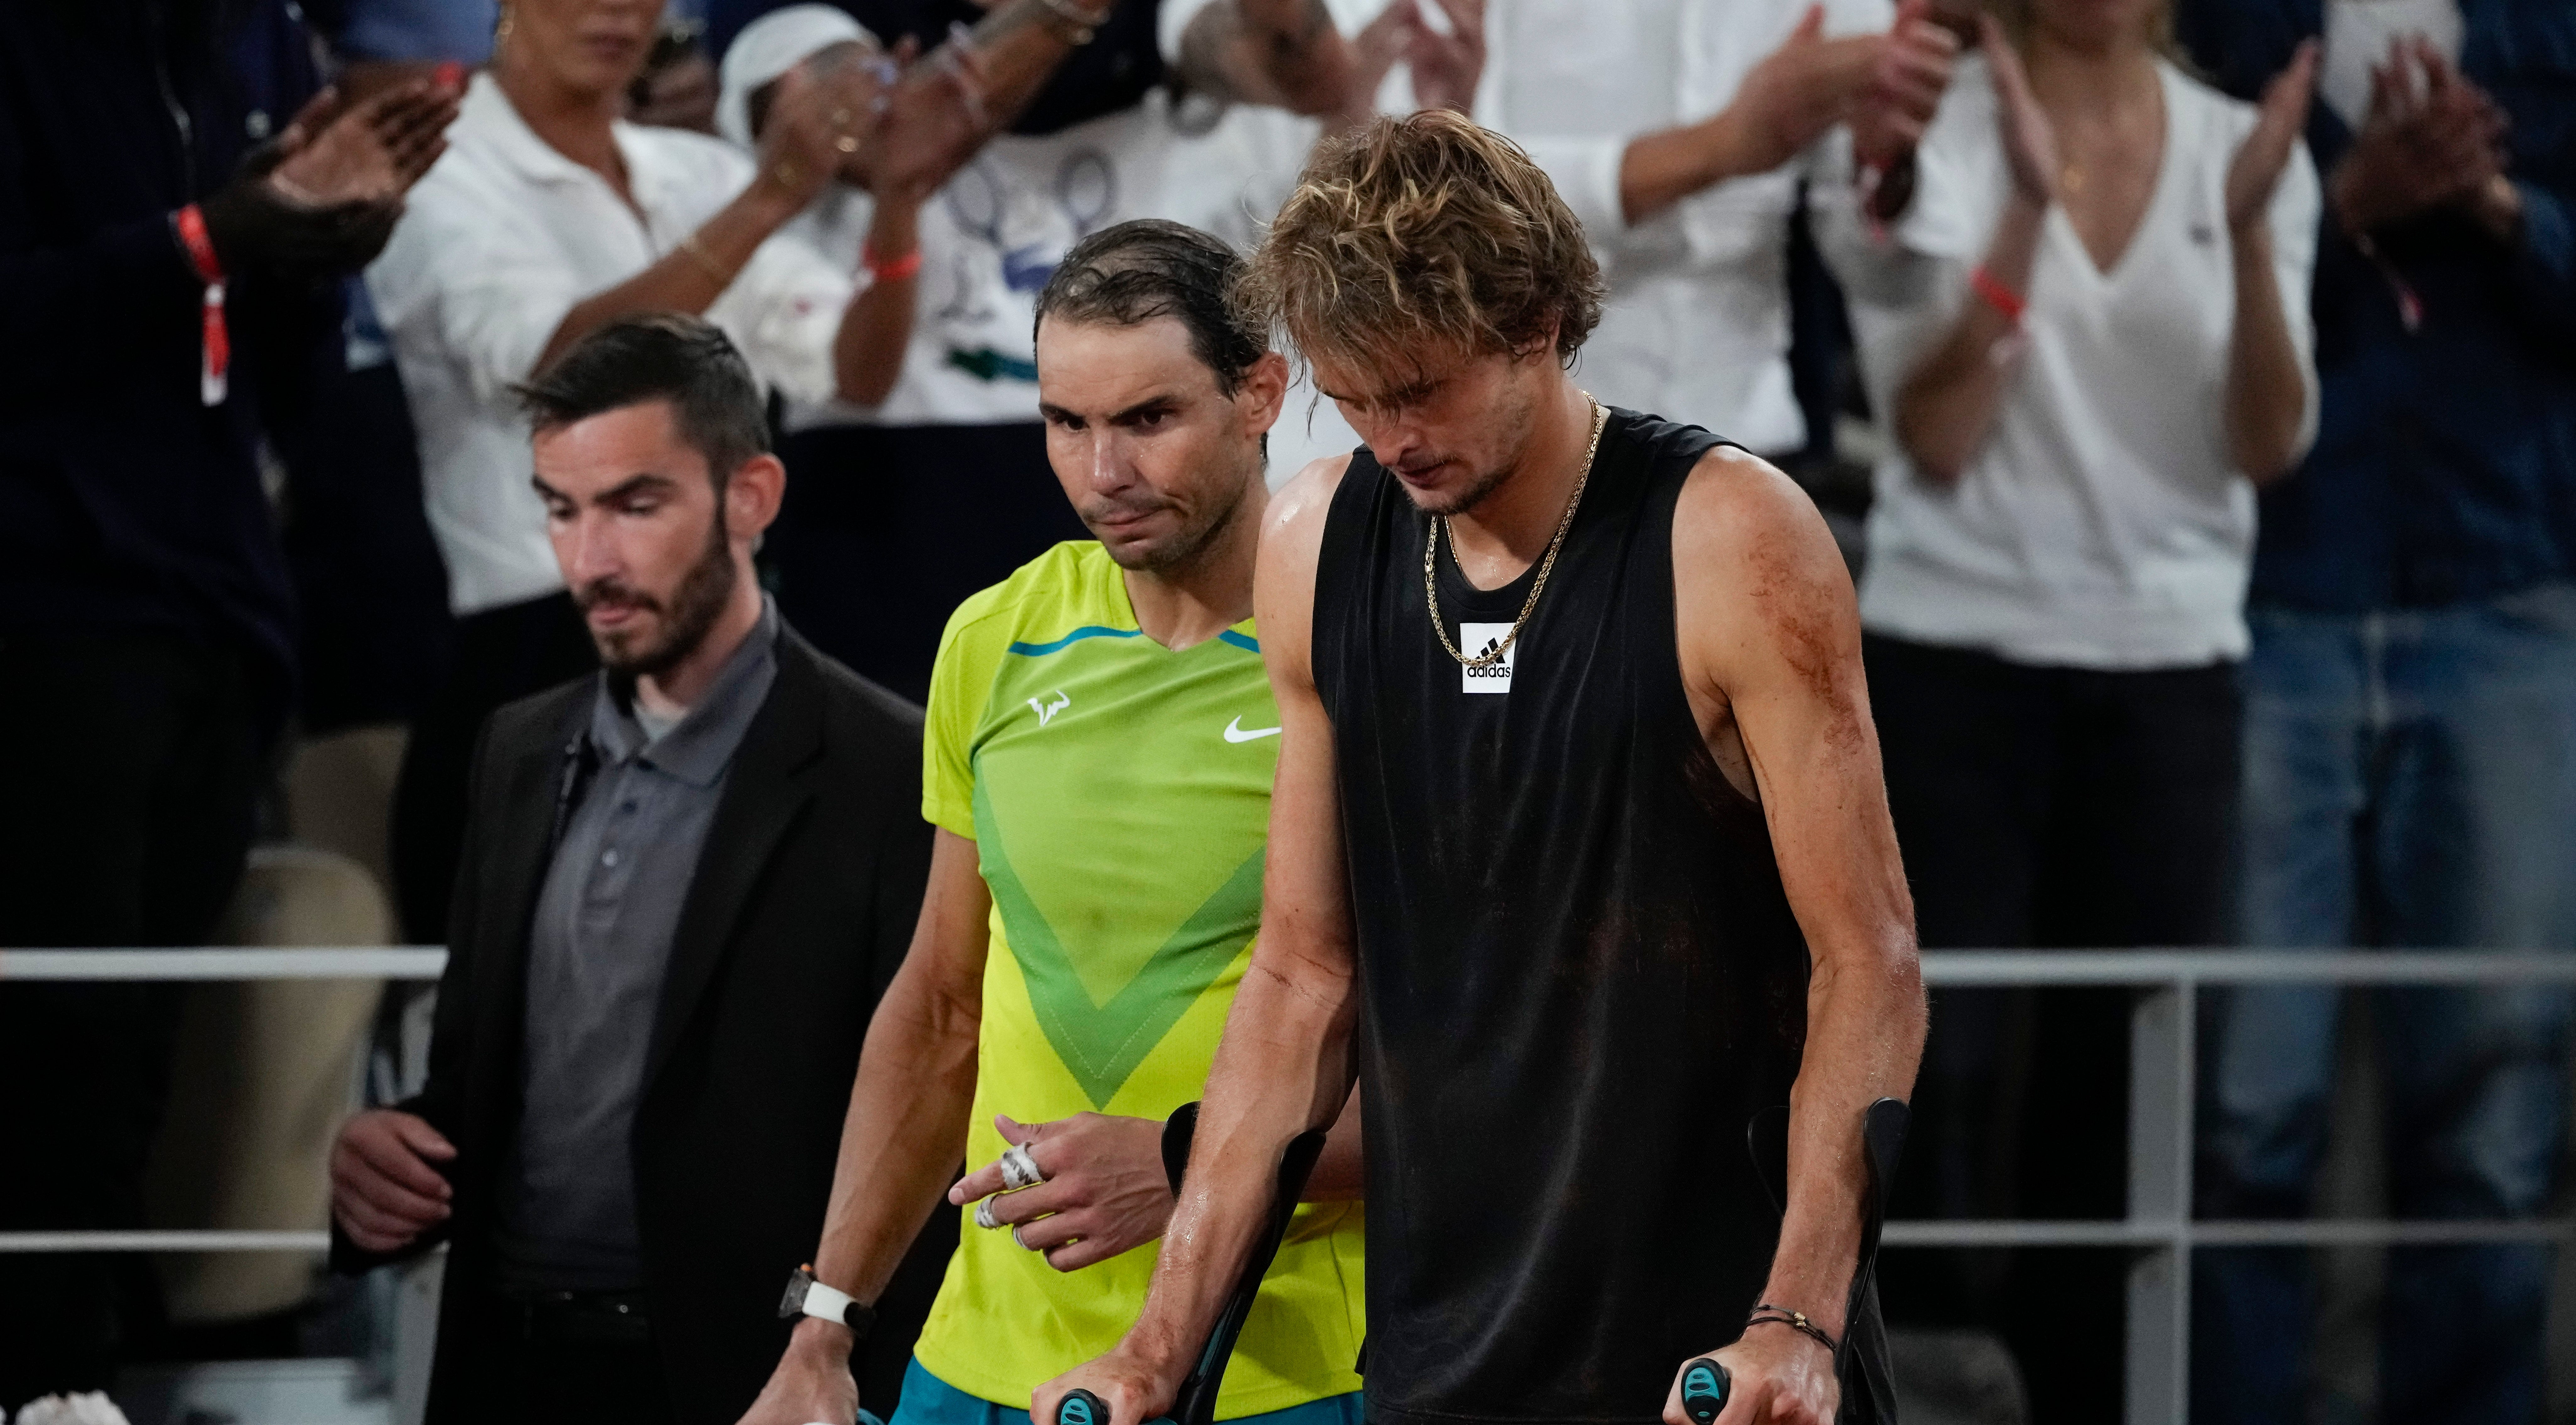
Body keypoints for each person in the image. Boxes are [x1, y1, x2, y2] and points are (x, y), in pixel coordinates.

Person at [1039, 116, 1927, 1425]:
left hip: (1717, 1395)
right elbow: (1300, 981)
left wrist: (1797, 1314)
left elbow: (1866, 963)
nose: (1389, 436)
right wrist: (1159, 1347)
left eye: (1425, 387)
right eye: (1351, 395)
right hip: (1448, 1395)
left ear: (1540, 323)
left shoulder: (1727, 534)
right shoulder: (1319, 541)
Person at [705, 220, 1368, 1425]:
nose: (1100, 468)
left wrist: (1190, 1165)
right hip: (972, 1389)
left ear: (1264, 390)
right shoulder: (995, 636)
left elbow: (1466, 1071)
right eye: (1065, 422)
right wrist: (822, 1327)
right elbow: (937, 1012)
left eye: (1149, 419)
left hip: (1270, 1393)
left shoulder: (1365, 642)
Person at [326, 317, 939, 1425]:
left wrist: (835, 1395)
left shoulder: (889, 769)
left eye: (634, 502)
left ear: (752, 496)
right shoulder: (518, 746)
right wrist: (387, 1154)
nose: (589, 554)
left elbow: (924, 1102)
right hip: (516, 1413)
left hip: (726, 1419)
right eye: (561, 505)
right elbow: (482, 1072)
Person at [1822, 0, 2321, 1425]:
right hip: (1953, 649)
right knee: (1939, 1061)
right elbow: (1938, 432)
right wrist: (2030, 216)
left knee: (2126, 1075)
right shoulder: (1937, 132)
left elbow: (2271, 440)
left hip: (2167, 660)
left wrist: (2238, 236)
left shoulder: (2247, 150)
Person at [370, 0, 1106, 940]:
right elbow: (561, 375)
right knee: (528, 1017)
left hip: (722, 649)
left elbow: (855, 370)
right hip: (539, 641)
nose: (617, 15)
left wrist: (896, 201)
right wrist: (772, 196)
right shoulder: (449, 168)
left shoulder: (692, 172)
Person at [0, 3, 459, 1411]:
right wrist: (215, 236)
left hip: (223, 616)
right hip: (44, 615)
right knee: (49, 1050)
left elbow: (289, 388)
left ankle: (75, 1423)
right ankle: (36, 1416)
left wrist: (318, 249)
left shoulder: (239, 50)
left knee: (138, 1048)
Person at [2177, 1, 2576, 1425]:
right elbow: (2159, 297)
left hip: (2510, 591)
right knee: (2242, 1107)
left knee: (2494, 1108)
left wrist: (2496, 209)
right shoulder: (2224, 20)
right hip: (2272, 588)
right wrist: (2341, 210)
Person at [727, 0, 1424, 702]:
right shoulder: (801, 21)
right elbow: (887, 133)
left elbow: (1305, 77)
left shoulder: (1150, 24)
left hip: (1122, 469)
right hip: (886, 505)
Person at [1162, 0, 1962, 456]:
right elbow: (1394, 208)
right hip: (1464, 469)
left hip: (1731, 458)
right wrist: (1714, 150)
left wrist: (1886, 173)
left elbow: (1892, 284)